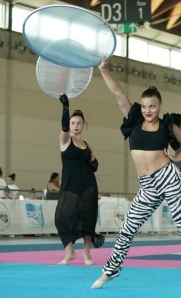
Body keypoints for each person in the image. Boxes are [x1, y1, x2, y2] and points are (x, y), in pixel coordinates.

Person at [92, 58, 181, 292]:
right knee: (128, 227)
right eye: (144, 107)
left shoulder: (167, 125)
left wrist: (178, 157)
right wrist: (104, 70)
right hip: (147, 185)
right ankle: (110, 270)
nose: (147, 111)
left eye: (152, 106)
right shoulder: (133, 121)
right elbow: (118, 93)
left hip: (168, 177)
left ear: (159, 105)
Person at [54, 95, 104, 266]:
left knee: (88, 219)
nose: (76, 126)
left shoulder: (86, 144)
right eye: (73, 122)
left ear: (84, 125)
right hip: (70, 185)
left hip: (88, 185)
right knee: (60, 217)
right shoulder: (65, 139)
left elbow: (95, 164)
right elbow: (63, 126)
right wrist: (65, 107)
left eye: (79, 123)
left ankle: (87, 254)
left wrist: (92, 162)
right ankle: (70, 252)